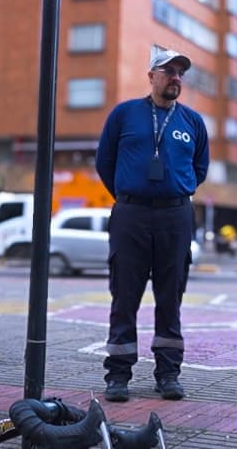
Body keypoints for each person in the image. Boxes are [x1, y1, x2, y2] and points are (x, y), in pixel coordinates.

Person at [94, 48, 210, 403]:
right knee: (125, 295)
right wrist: (133, 194)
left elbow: (199, 169)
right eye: (168, 71)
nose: (175, 77)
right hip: (131, 215)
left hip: (176, 216)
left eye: (180, 73)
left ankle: (169, 374)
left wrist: (171, 192)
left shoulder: (192, 122)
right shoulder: (124, 114)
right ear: (151, 76)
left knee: (170, 297)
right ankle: (118, 375)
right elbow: (105, 162)